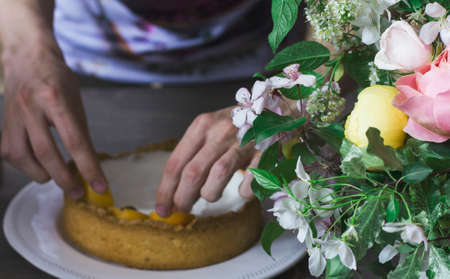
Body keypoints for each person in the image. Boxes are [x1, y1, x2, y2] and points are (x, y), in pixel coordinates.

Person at [0, 0, 303, 217]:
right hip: (79, 69)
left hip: (265, 74)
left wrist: (297, 99)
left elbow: (343, 17)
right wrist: (26, 46)